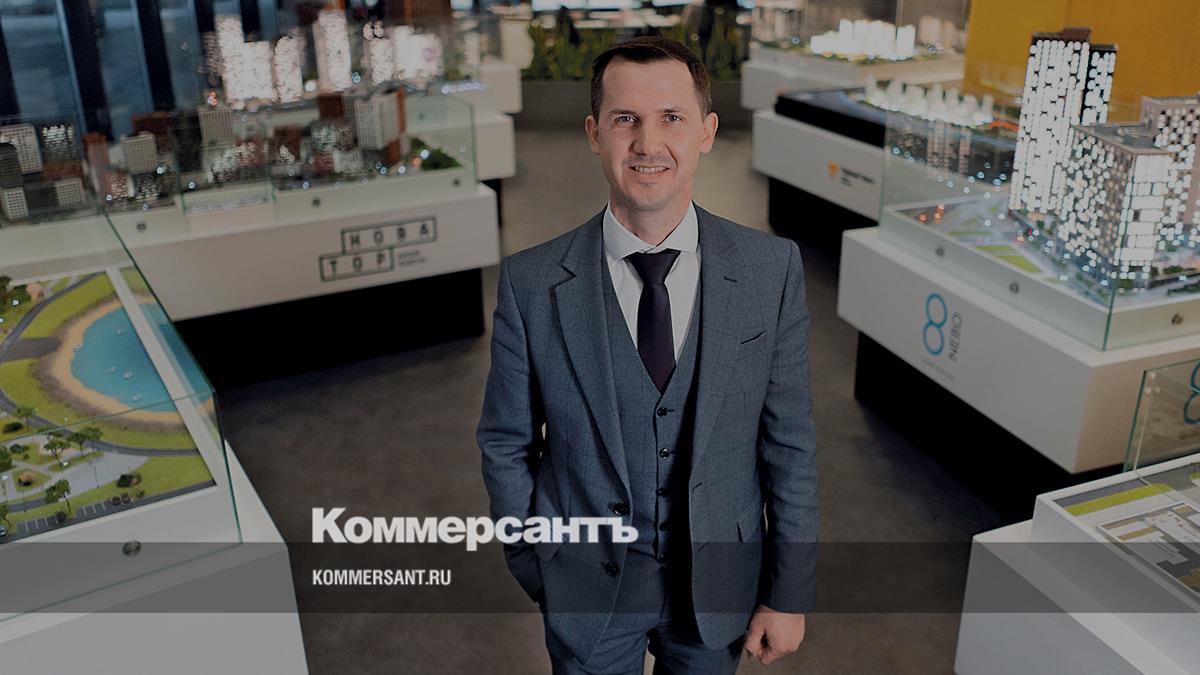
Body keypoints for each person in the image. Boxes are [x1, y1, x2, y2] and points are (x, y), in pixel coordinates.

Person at [478, 36, 818, 674]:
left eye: (671, 118)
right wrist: (537, 563)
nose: (647, 143)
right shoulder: (531, 283)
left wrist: (788, 591)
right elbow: (506, 442)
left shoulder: (770, 270)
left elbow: (790, 442)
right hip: (585, 589)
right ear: (594, 133)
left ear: (706, 131)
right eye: (625, 119)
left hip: (718, 589)